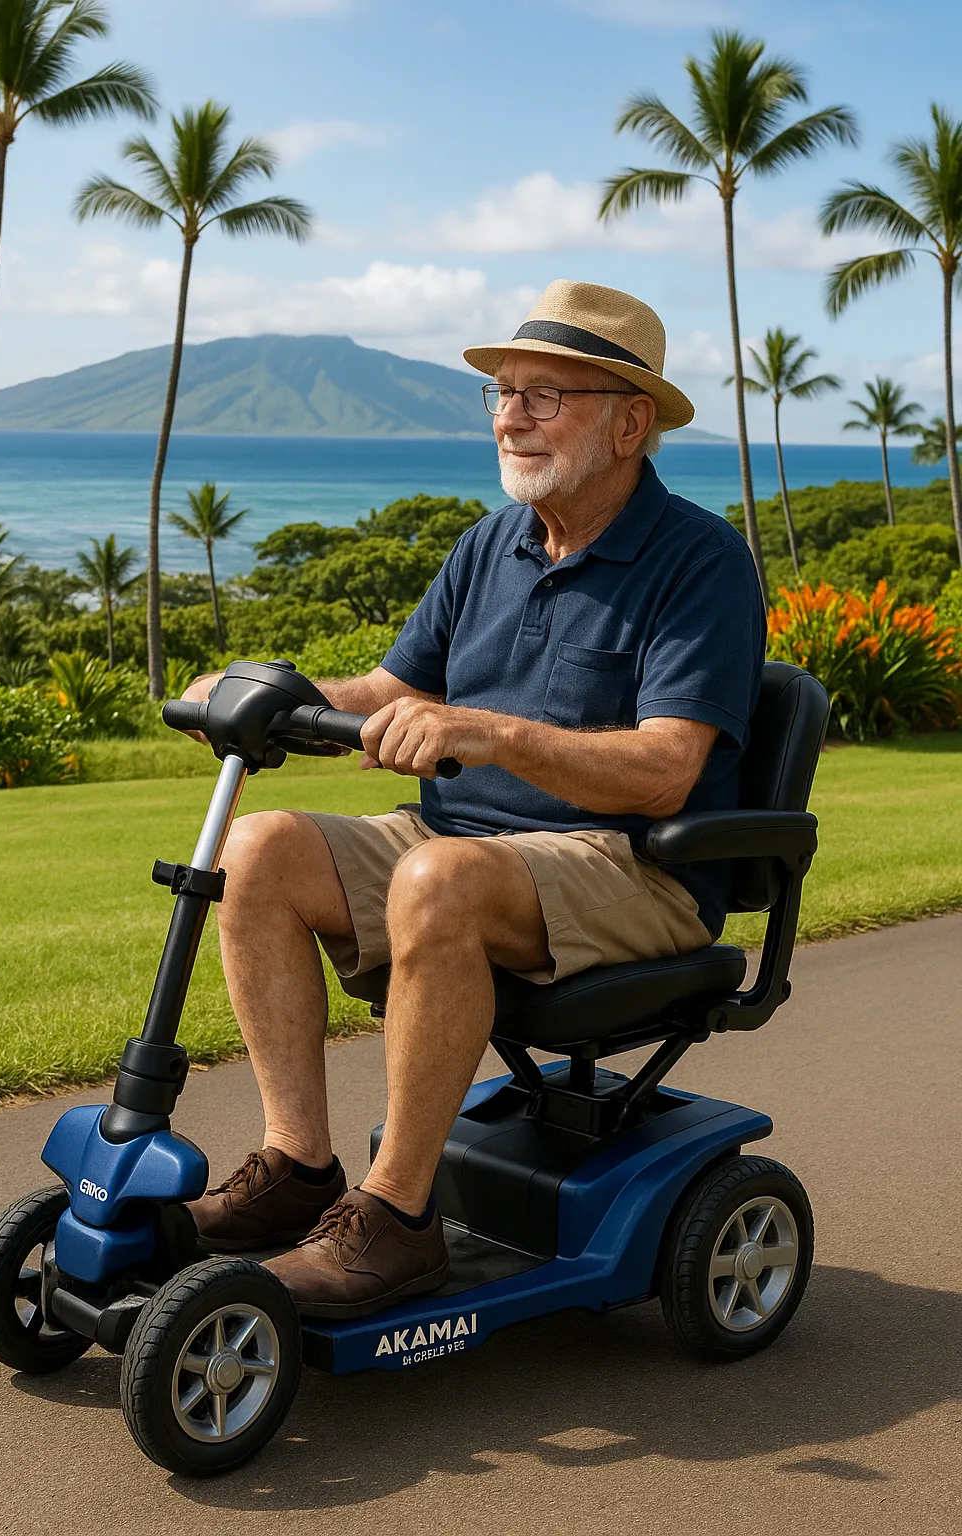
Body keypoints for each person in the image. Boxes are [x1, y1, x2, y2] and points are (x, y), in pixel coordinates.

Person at [181, 280, 766, 1319]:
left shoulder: (702, 562)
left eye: (547, 395)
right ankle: (299, 1167)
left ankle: (396, 1221)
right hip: (457, 839)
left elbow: (666, 768)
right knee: (258, 848)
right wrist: (260, 694)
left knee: (437, 879)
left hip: (632, 864)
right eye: (504, 392)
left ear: (631, 423)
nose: (511, 416)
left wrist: (488, 732)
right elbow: (388, 691)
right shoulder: (490, 544)